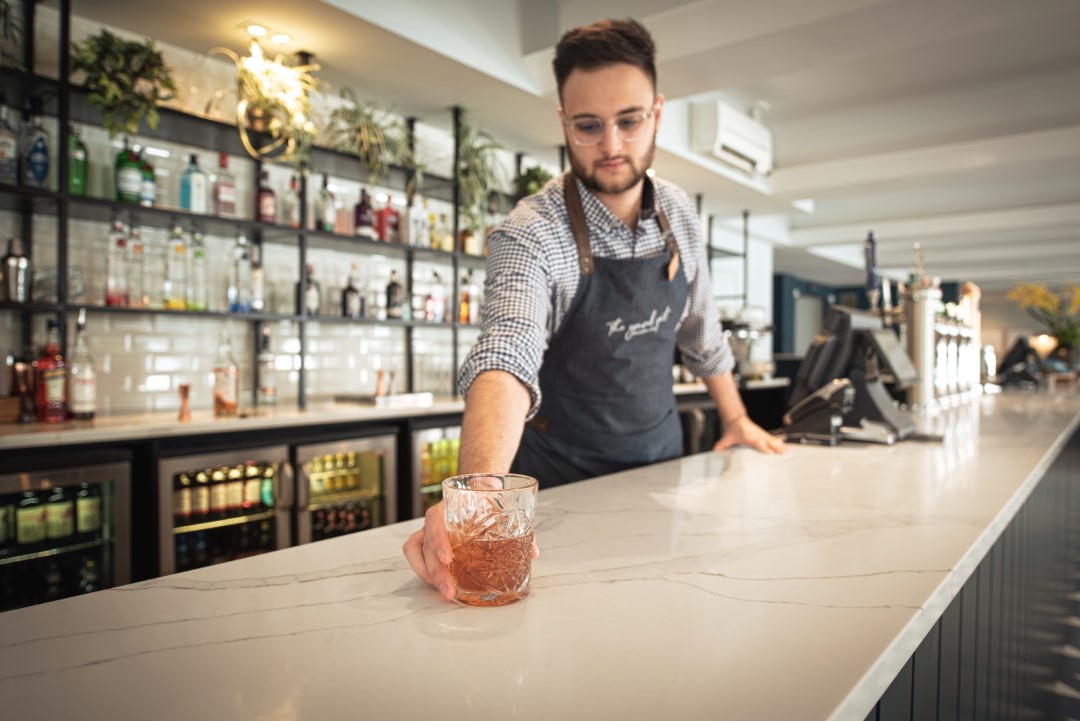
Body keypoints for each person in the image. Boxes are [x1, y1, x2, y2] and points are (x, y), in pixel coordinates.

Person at [403, 18, 786, 601]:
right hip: (561, 487)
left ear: (657, 112)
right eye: (588, 126)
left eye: (629, 121)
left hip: (660, 467)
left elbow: (701, 335)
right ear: (563, 122)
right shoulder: (534, 230)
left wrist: (735, 419)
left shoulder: (679, 215)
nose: (611, 145)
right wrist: (479, 495)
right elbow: (508, 350)